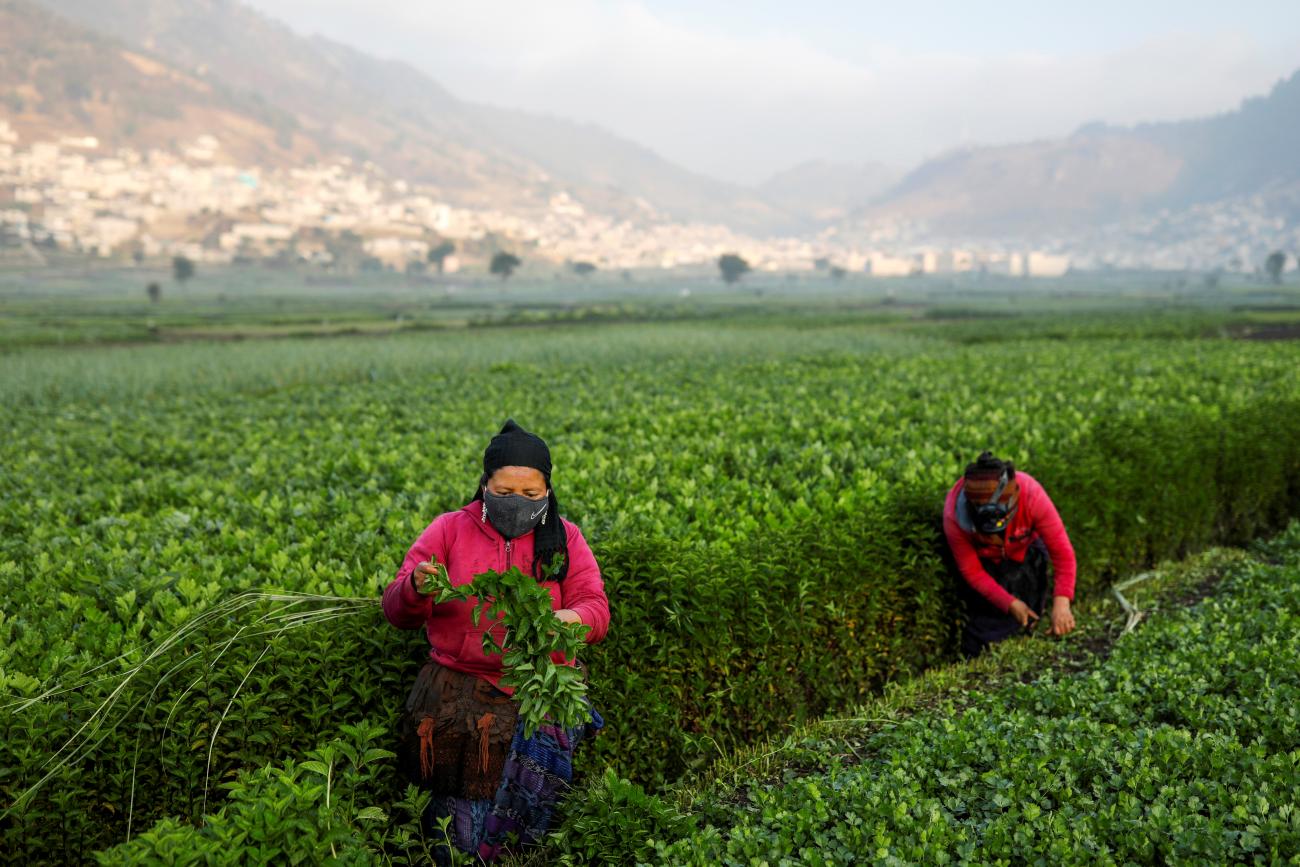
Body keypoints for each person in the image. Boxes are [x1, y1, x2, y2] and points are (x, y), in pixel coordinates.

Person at [382, 419, 609, 861]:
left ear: (547, 490)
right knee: (460, 827)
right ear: (485, 485)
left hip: (537, 689)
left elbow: (596, 608)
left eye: (530, 494)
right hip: (459, 697)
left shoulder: (565, 538)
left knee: (528, 831)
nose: (517, 504)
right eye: (505, 493)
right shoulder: (449, 530)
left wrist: (571, 618)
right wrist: (415, 588)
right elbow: (395, 608)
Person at [943, 451, 1077, 657]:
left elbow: (1062, 553)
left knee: (1029, 600)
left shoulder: (1031, 494)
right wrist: (1010, 603)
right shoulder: (955, 515)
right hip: (986, 561)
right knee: (988, 622)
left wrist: (1062, 603)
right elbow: (972, 572)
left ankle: (1026, 635)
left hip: (1024, 549)